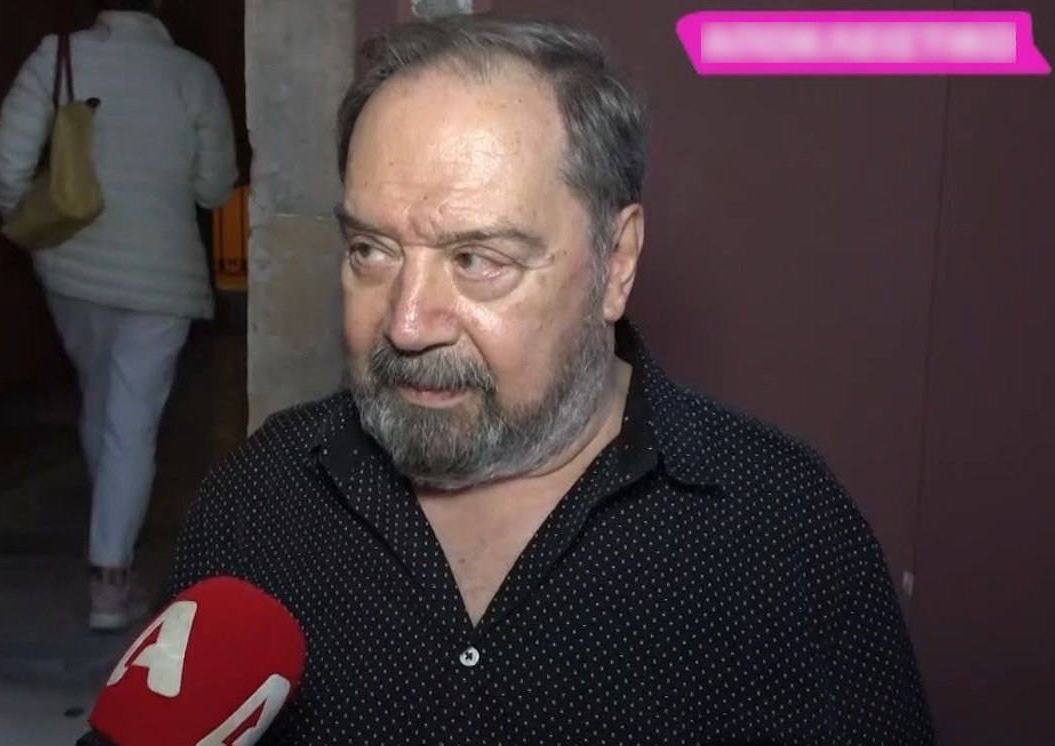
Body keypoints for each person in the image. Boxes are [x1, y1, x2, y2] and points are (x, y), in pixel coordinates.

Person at [156, 14, 935, 745]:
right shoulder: (259, 500)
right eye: (372, 251)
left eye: (478, 260)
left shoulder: (788, 536)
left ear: (615, 262)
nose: (407, 323)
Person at [0, 0, 237, 632]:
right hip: (161, 277)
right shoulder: (193, 75)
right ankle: (109, 581)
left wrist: (30, 220)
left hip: (70, 266)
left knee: (101, 401)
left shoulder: (57, 56)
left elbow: (9, 153)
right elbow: (215, 187)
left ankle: (113, 539)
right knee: (131, 422)